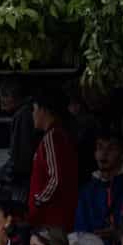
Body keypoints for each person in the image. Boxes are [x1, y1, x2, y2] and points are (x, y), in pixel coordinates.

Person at [28, 87, 80, 231]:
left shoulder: (53, 137)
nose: (33, 114)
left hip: (51, 219)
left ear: (43, 110)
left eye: (34, 109)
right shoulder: (58, 135)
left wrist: (38, 201)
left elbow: (56, 178)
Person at [0, 77, 37, 196]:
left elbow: (20, 159)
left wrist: (3, 174)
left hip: (23, 183)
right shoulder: (28, 112)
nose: (1, 101)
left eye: (4, 96)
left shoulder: (22, 115)